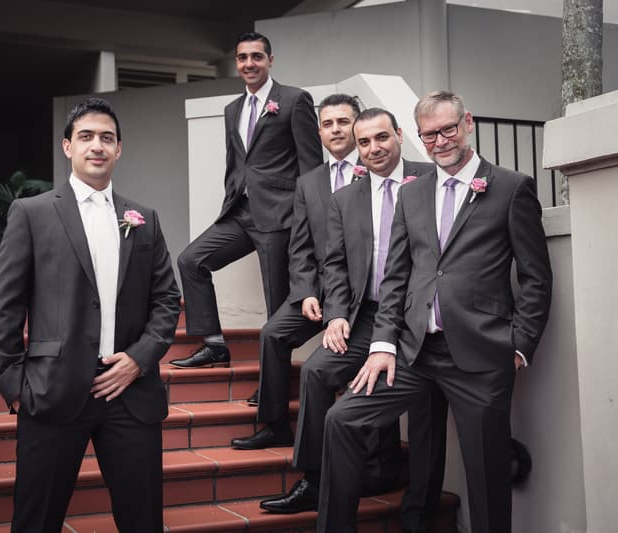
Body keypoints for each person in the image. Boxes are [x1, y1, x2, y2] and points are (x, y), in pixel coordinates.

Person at [317, 91, 553, 533]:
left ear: (467, 123)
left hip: (481, 358)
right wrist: (384, 343)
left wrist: (520, 346)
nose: (440, 141)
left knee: (486, 478)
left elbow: (537, 277)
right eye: (430, 135)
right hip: (414, 354)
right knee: (342, 420)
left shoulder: (510, 187)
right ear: (419, 139)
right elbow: (396, 277)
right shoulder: (413, 193)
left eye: (448, 129)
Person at [0, 98, 180, 533]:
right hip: (51, 393)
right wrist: (14, 385)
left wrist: (139, 360)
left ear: (119, 149)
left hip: (129, 395)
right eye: (87, 137)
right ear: (67, 146)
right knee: (36, 520)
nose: (98, 146)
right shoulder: (31, 213)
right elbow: (4, 305)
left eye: (107, 138)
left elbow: (167, 299)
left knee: (143, 520)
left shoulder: (143, 219)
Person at [259, 108, 446, 527]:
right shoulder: (345, 198)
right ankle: (314, 477)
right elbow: (336, 264)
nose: (374, 149)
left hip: (419, 320)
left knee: (428, 413)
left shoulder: (429, 179)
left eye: (382, 138)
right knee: (316, 370)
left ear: (399, 135)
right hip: (367, 315)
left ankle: (419, 513)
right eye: (365, 142)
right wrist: (337, 315)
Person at [171, 31, 322, 372]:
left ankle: (274, 389)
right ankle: (212, 344)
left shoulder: (295, 100)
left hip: (281, 217)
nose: (249, 63)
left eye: (256, 56)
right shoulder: (232, 109)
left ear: (270, 60)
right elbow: (237, 161)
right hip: (239, 212)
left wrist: (304, 218)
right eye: (242, 58)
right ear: (237, 63)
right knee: (191, 261)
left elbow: (312, 166)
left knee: (277, 307)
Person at [230, 93, 360, 450]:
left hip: (362, 296)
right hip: (318, 292)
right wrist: (305, 292)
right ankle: (274, 425)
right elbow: (299, 246)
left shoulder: (375, 170)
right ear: (318, 132)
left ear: (357, 125)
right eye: (328, 124)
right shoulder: (309, 182)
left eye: (343, 122)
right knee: (273, 333)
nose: (335, 130)